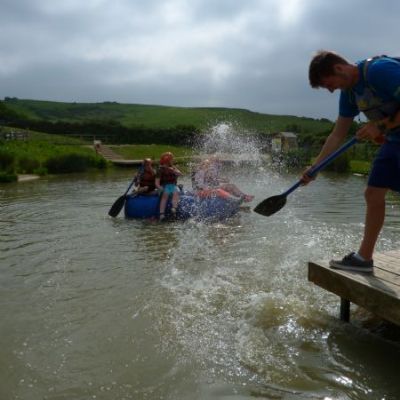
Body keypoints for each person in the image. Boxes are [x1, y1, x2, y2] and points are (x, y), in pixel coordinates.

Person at [304, 50, 400, 273]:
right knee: (373, 193)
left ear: (339, 68)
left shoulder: (378, 71)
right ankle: (363, 259)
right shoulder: (349, 94)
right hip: (395, 141)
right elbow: (337, 134)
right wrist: (315, 167)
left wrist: (381, 125)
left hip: (392, 135)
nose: (330, 90)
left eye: (329, 84)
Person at [155, 152, 182, 221]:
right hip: (164, 186)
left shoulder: (173, 168)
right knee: (166, 193)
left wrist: (171, 170)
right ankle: (162, 214)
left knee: (175, 191)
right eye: (170, 159)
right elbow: (157, 183)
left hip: (173, 186)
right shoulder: (160, 170)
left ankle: (174, 209)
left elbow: (180, 174)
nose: (172, 161)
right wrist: (161, 188)